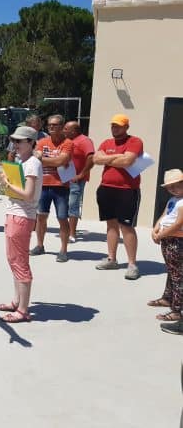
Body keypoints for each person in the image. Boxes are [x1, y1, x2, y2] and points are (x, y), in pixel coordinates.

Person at [0, 126, 43, 323]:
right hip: (15, 214)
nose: (15, 144)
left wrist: (8, 183)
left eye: (19, 141)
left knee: (20, 262)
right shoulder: (22, 162)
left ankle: (23, 310)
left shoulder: (32, 164)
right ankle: (17, 302)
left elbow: (29, 194)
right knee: (13, 259)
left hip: (22, 216)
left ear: (31, 143)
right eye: (14, 141)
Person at [92, 114, 144, 280]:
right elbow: (95, 159)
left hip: (127, 190)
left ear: (126, 127)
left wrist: (107, 159)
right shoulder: (107, 142)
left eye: (119, 126)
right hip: (106, 189)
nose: (115, 128)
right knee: (111, 224)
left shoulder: (135, 141)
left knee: (126, 226)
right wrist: (116, 158)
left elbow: (127, 161)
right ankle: (111, 259)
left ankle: (132, 264)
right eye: (113, 126)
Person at [31, 114, 73, 262]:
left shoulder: (68, 143)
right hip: (43, 185)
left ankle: (63, 250)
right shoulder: (42, 141)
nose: (51, 127)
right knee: (41, 217)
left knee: (62, 218)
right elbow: (37, 158)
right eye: (49, 125)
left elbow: (62, 160)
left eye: (54, 125)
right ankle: (40, 245)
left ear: (62, 127)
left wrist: (44, 160)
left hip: (61, 186)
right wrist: (52, 161)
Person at [150, 169, 183, 326]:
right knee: (172, 271)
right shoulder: (173, 200)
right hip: (167, 240)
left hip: (177, 240)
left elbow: (178, 223)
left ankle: (177, 310)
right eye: (170, 187)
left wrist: (161, 235)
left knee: (177, 275)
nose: (173, 189)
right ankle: (167, 298)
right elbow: (165, 215)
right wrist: (156, 228)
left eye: (177, 186)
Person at [63, 121, 95, 243]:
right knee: (64, 205)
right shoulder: (67, 141)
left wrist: (81, 174)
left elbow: (91, 157)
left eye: (66, 129)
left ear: (74, 131)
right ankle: (66, 231)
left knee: (73, 205)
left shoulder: (84, 141)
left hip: (76, 180)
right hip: (65, 178)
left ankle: (72, 234)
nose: (64, 131)